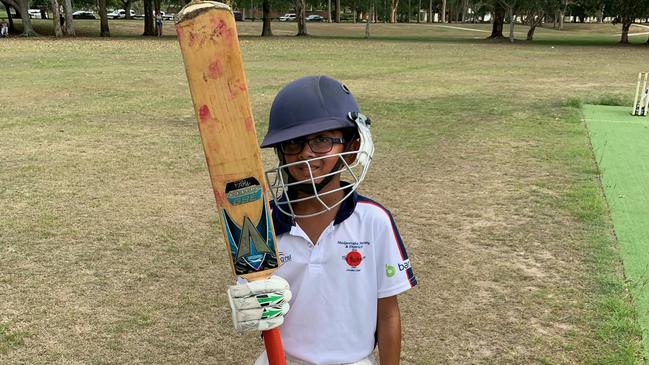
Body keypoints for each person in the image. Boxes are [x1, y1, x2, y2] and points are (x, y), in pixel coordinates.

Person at [227, 75, 417, 365]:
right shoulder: (259, 224)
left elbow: (388, 312)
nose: (305, 153)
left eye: (321, 140)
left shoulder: (373, 221)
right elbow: (260, 305)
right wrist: (253, 304)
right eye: (293, 143)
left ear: (352, 148)